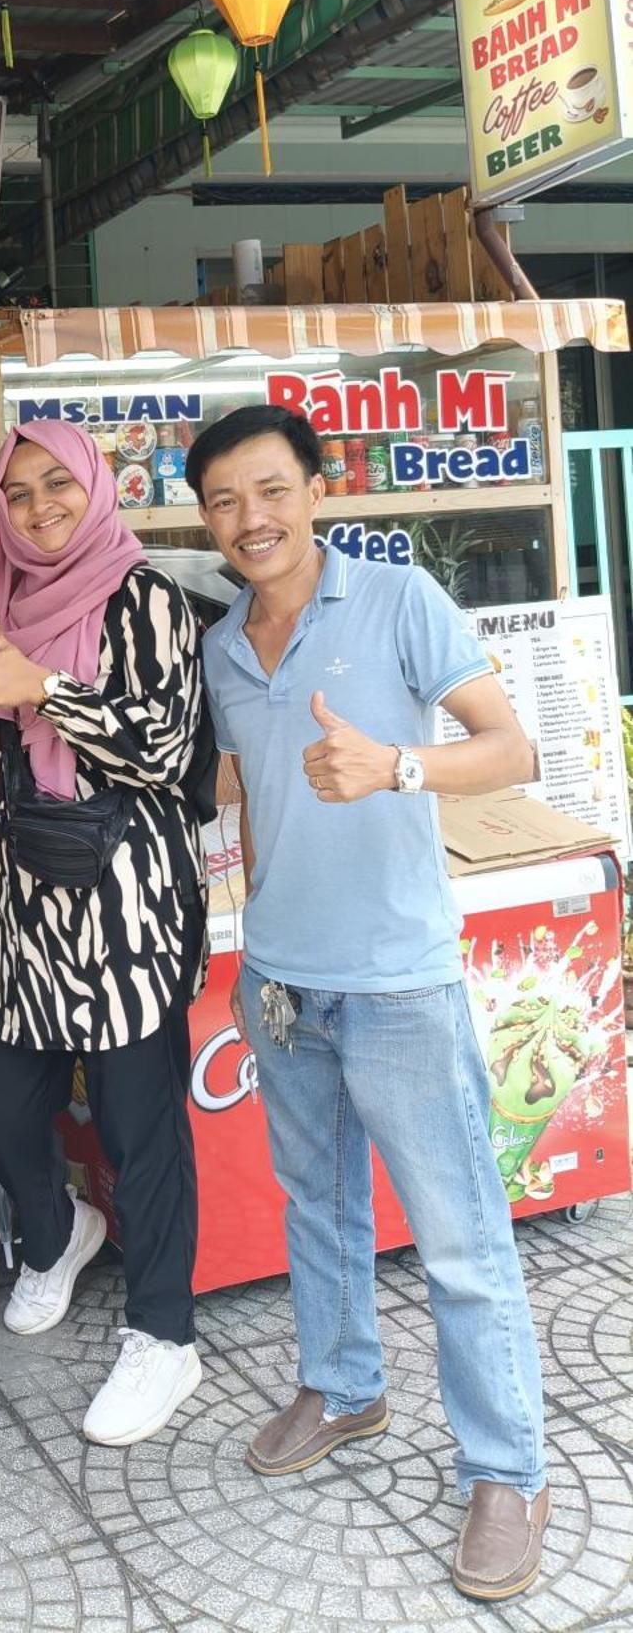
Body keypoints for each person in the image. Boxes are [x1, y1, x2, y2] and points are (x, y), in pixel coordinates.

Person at [187, 403, 548, 1603]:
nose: (253, 518)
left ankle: (507, 1467)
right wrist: (242, 943)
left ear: (316, 491)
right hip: (283, 977)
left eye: (272, 489)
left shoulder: (398, 599)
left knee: (456, 1233)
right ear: (205, 517)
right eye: (227, 499)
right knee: (317, 1206)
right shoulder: (223, 645)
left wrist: (397, 764)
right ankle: (344, 1386)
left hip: (399, 978)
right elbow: (247, 808)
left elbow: (511, 747)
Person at [0, 421, 212, 1449]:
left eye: (59, 483)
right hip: (11, 905)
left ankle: (165, 1331)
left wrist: (45, 692)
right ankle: (57, 1234)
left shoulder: (141, 592)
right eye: (17, 493)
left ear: (99, 486)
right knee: (0, 1110)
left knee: (137, 1124)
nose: (39, 506)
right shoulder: (1, 598)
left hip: (119, 909)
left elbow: (165, 741)